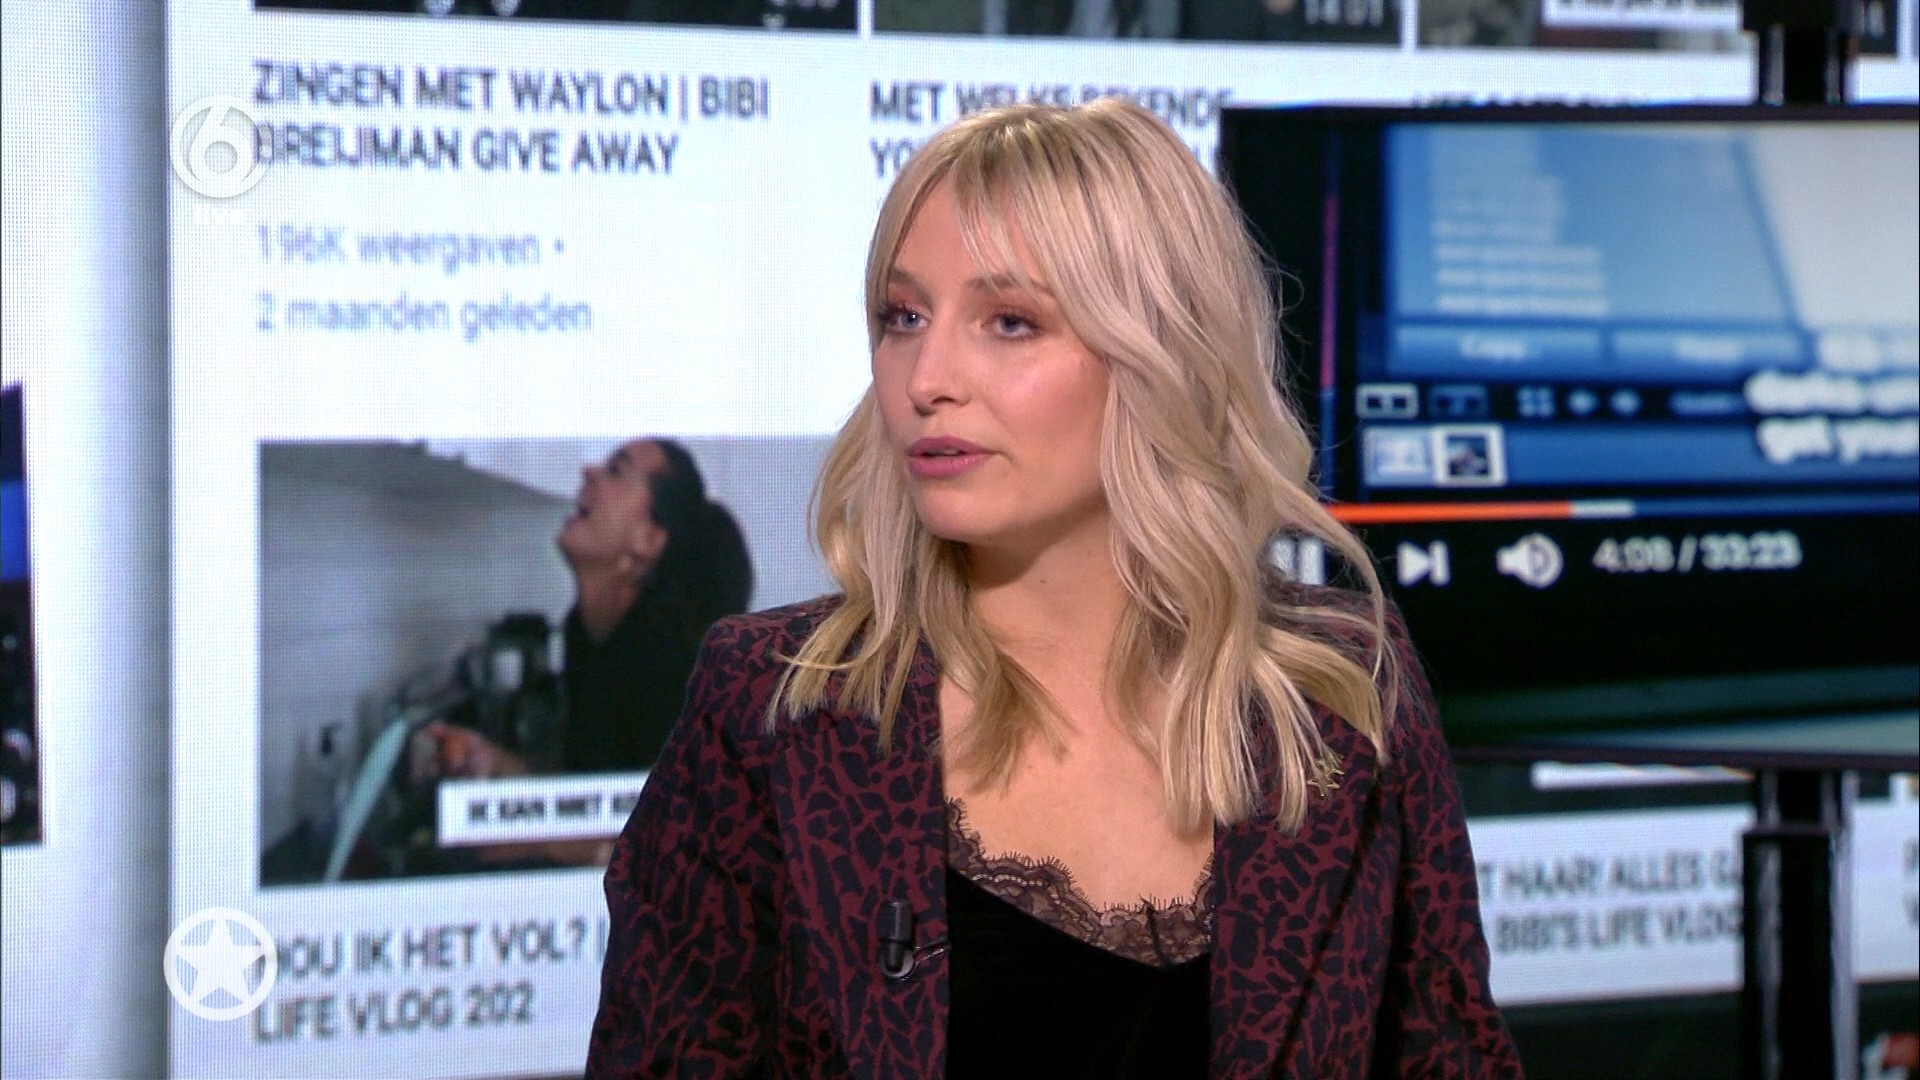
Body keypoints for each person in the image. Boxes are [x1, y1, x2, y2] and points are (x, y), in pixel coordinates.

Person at [586, 99, 1521, 1077]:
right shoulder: (774, 708)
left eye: (1009, 321)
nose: (926, 378)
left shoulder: (1339, 689)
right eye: (904, 317)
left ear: (1161, 352)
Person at [422, 437, 753, 781]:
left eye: (616, 471)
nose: (588, 471)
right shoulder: (585, 634)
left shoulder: (669, 665)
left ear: (649, 539)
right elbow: (585, 781)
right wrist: (491, 761)